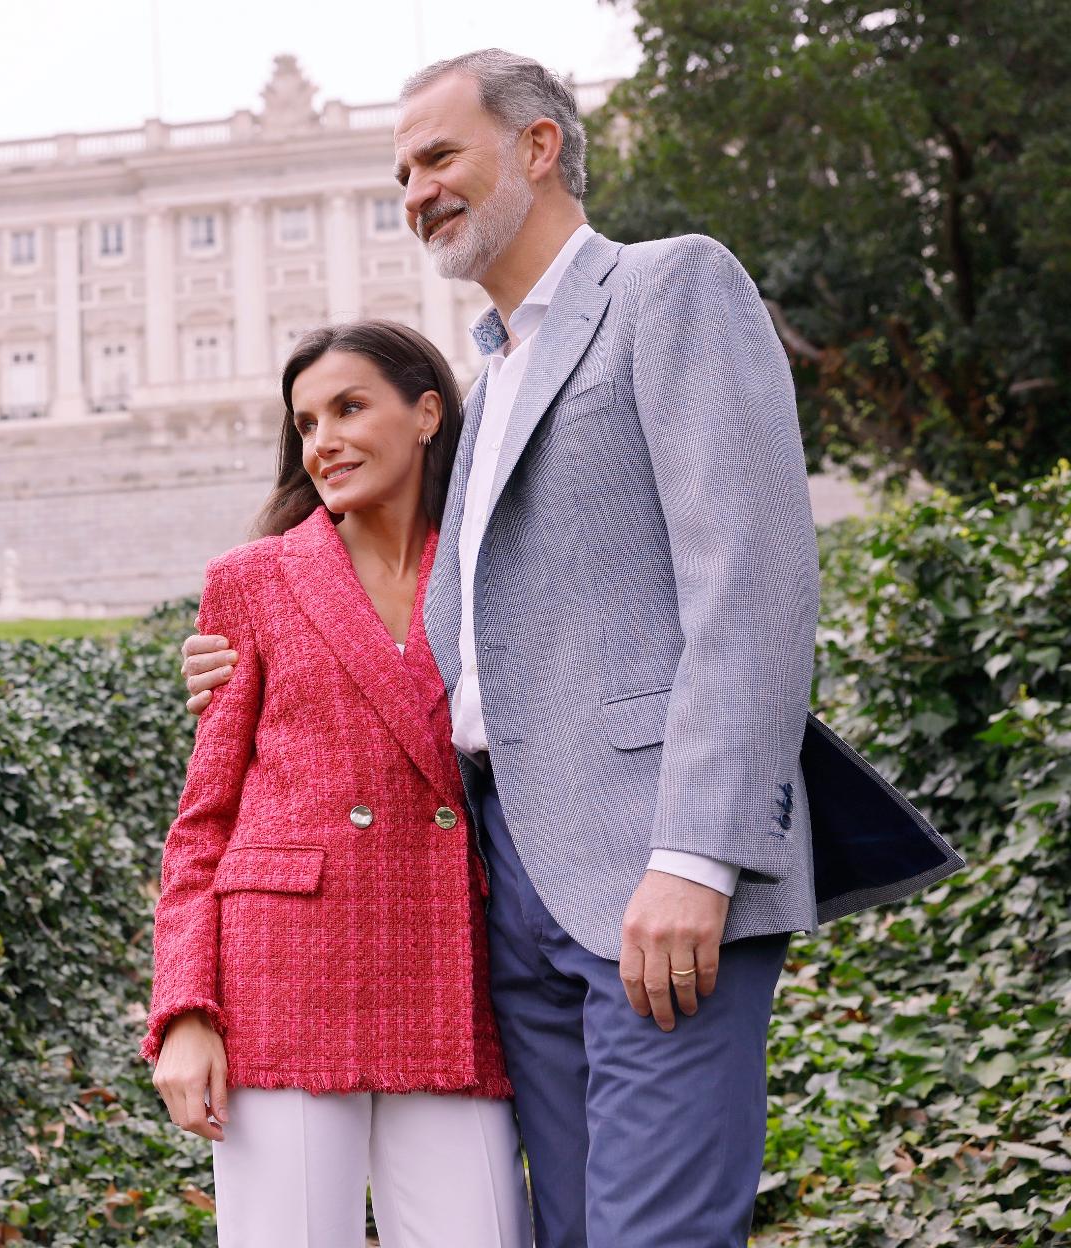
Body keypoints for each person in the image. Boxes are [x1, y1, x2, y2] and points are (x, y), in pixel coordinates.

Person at [179, 49, 964, 1248]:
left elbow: (748, 585)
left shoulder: (672, 289)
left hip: (652, 855)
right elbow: (462, 638)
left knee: (652, 1233)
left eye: (440, 156)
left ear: (539, 147)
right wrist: (259, 663)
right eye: (401, 171)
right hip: (510, 879)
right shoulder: (488, 390)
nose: (416, 190)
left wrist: (698, 856)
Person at [141, 319, 533, 1248]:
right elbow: (204, 822)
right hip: (282, 976)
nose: (324, 440)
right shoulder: (253, 581)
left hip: (448, 968)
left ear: (427, 412)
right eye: (307, 421)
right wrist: (185, 1010)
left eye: (350, 407)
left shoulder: (495, 567)